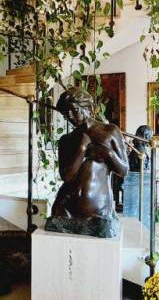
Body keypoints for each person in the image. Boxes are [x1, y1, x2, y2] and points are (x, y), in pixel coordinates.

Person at [48, 87, 129, 235]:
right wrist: (82, 148)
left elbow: (123, 170)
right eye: (66, 113)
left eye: (74, 110)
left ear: (88, 108)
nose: (70, 116)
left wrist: (108, 154)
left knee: (103, 229)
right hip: (67, 207)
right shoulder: (66, 140)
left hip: (99, 209)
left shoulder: (110, 131)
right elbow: (67, 176)